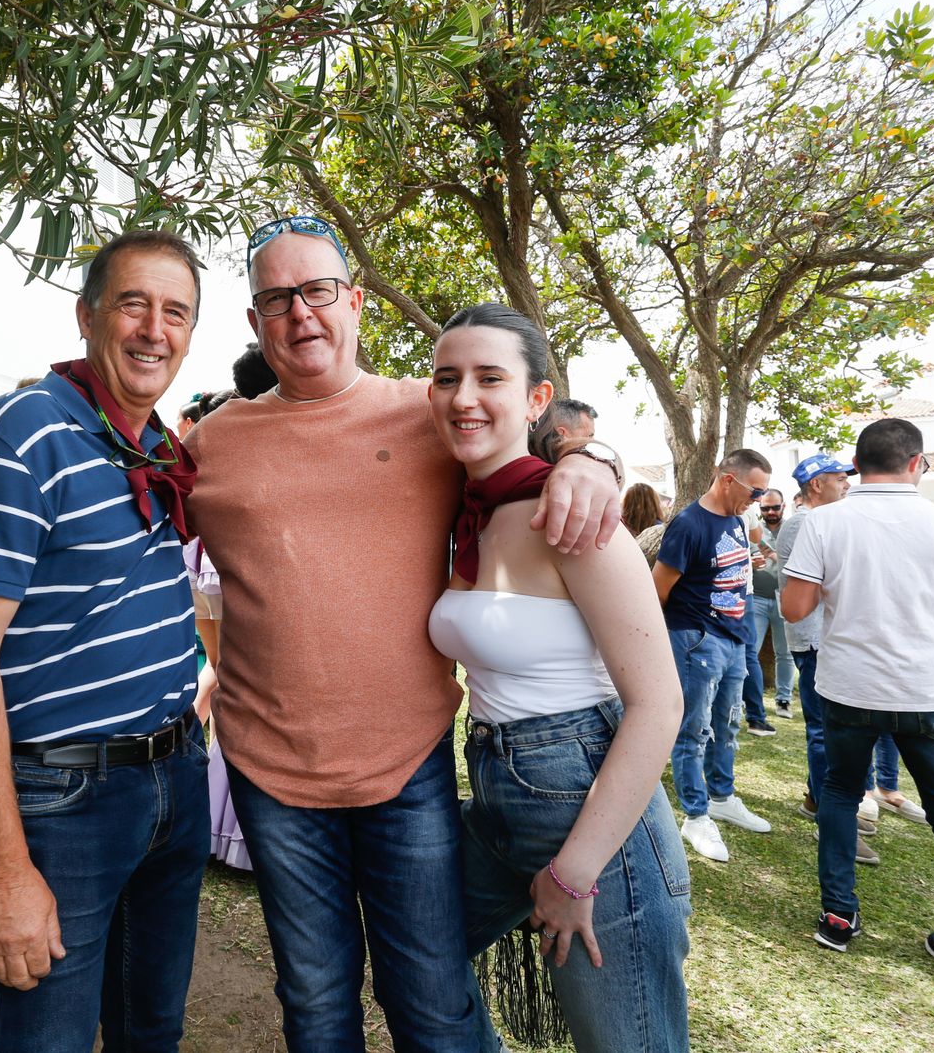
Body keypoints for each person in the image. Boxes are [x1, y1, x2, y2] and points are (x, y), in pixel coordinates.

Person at [184, 214, 621, 1052]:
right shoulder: (213, 442)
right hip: (270, 772)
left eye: (316, 291)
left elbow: (521, 459)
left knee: (430, 996)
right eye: (277, 298)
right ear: (254, 321)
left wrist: (587, 462)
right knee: (314, 1001)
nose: (300, 314)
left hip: (407, 765)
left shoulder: (428, 418)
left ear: (354, 301)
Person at [0, 231, 212, 1052]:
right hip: (66, 800)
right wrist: (3, 868)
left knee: (151, 1027)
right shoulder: (23, 434)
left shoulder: (156, 444)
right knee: (45, 1036)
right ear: (87, 316)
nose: (154, 329)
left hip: (174, 778)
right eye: (134, 304)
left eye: (176, 312)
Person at [426, 304, 690, 1052]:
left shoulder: (572, 517)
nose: (464, 397)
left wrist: (575, 873)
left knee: (625, 1043)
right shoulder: (462, 508)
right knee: (421, 963)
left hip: (589, 804)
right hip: (499, 791)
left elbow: (658, 703)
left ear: (537, 399)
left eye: (490, 378)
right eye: (447, 378)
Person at [781, 418, 934, 992]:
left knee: (841, 795)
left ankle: (837, 914)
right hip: (925, 690)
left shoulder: (825, 522)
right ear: (916, 463)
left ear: (856, 465)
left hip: (849, 686)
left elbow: (795, 609)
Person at [652, 449, 774, 862]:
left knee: (728, 724)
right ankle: (695, 814)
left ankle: (722, 796)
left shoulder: (737, 520)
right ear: (727, 479)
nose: (758, 499)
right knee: (693, 731)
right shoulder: (688, 524)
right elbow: (657, 590)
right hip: (697, 640)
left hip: (735, 639)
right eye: (755, 491)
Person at [774, 454, 880, 867]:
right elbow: (808, 590)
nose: (847, 485)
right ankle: (834, 821)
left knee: (826, 728)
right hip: (815, 638)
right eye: (839, 479)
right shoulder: (805, 523)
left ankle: (819, 800)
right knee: (825, 731)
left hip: (821, 637)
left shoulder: (815, 521)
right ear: (815, 485)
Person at [745, 489, 795, 719]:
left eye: (775, 507)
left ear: (783, 506)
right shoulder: (753, 530)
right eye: (765, 508)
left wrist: (776, 557)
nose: (771, 512)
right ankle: (749, 699)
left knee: (784, 652)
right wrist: (752, 562)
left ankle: (783, 699)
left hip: (784, 596)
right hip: (757, 597)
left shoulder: (793, 528)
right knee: (750, 651)